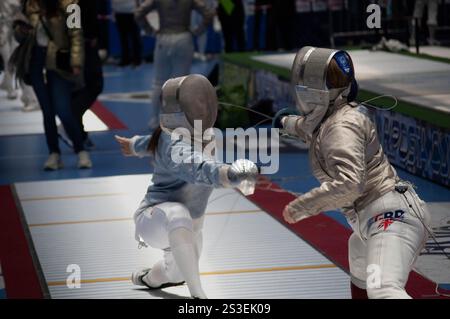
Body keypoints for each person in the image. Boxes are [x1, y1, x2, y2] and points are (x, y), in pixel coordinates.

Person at [273, 46, 431, 299]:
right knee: (358, 257)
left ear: (318, 91)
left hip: (391, 217)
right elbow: (311, 128)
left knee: (383, 289)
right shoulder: (331, 116)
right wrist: (284, 121)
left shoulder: (343, 126)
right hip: (370, 218)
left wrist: (303, 206)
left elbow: (350, 184)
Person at [115, 74, 259, 299]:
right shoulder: (172, 142)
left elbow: (151, 143)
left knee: (175, 274)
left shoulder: (202, 134)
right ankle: (197, 295)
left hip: (190, 227)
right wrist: (229, 174)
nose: (202, 106)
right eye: (195, 101)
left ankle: (148, 279)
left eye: (203, 100)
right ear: (181, 109)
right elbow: (196, 168)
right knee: (178, 214)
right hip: (154, 220)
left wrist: (133, 145)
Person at [25, 0, 92, 170]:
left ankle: (81, 150)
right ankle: (54, 154)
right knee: (47, 113)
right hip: (36, 64)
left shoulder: (71, 4)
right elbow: (22, 36)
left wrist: (76, 61)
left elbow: (76, 33)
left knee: (63, 110)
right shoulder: (31, 4)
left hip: (59, 64)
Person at [134, 0, 214, 130]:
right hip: (184, 38)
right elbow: (208, 13)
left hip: (163, 38)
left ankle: (155, 119)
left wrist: (149, 31)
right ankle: (178, 121)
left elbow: (139, 13)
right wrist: (197, 31)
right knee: (181, 83)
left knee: (158, 82)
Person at [71, 0, 104, 149]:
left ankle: (77, 131)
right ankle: (75, 130)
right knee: (90, 85)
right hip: (80, 46)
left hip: (85, 44)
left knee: (90, 86)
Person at [0, 0, 39, 111]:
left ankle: (31, 99)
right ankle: (27, 97)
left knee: (20, 64)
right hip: (11, 30)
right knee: (15, 64)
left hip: (21, 30)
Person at [111, 0, 142, 66]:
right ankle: (126, 59)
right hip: (118, 11)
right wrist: (113, 10)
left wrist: (139, 8)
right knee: (123, 38)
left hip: (132, 11)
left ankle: (137, 60)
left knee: (135, 37)